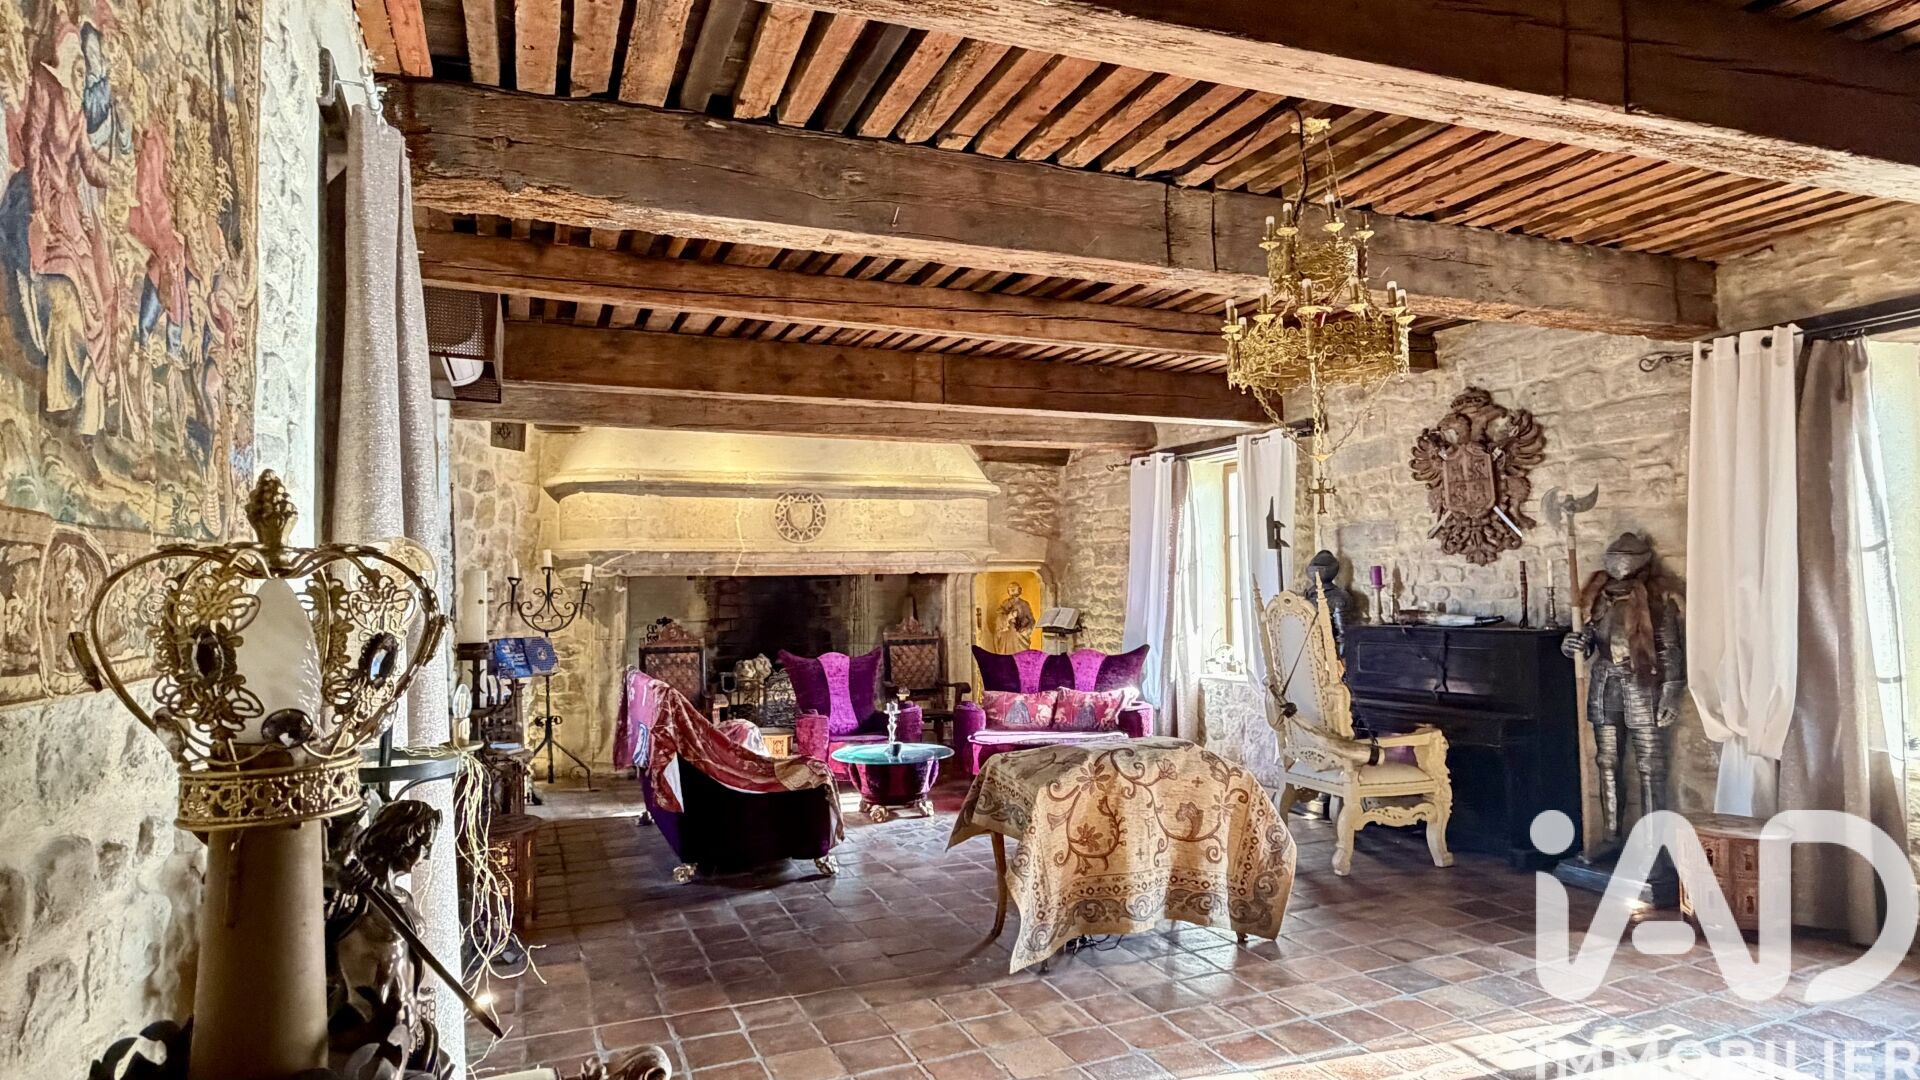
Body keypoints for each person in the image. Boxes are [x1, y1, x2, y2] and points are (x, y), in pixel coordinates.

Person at [1561, 532, 1685, 851]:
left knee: (1650, 764)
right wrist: (1573, 643)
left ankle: (1653, 844)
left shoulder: (1656, 598)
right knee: (1606, 761)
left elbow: (1669, 648)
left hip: (1643, 683)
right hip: (1605, 682)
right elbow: (1589, 638)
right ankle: (1611, 837)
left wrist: (1671, 690)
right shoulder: (1597, 597)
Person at [991, 582, 1035, 653]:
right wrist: (1008, 617)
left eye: (1014, 588)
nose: (1012, 590)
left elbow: (1031, 621)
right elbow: (998, 618)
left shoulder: (1024, 604)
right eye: (1010, 589)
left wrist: (1025, 631)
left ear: (1019, 590)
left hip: (1019, 636)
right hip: (1007, 635)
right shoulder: (1005, 603)